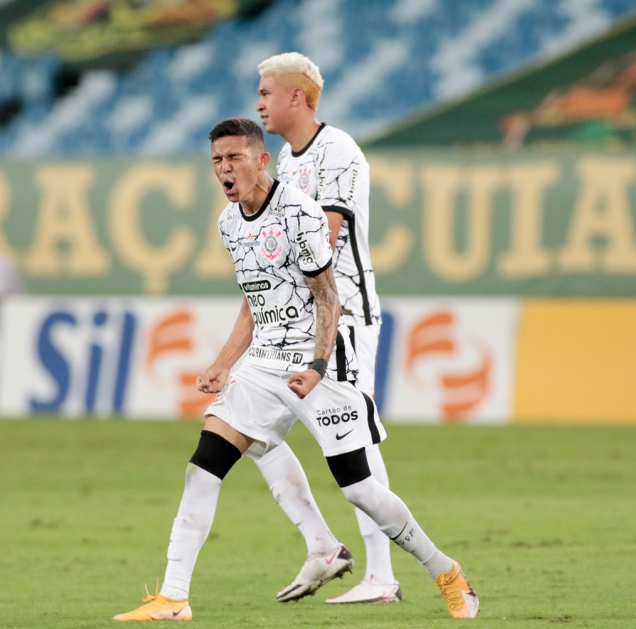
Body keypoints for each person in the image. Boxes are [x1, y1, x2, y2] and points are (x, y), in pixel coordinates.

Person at [114, 118, 478, 621]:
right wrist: (223, 363)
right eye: (217, 160)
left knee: (360, 489)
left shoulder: (299, 213)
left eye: (234, 157)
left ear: (262, 160)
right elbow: (255, 297)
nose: (224, 168)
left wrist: (317, 365)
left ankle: (446, 572)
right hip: (263, 363)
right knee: (204, 466)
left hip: (321, 360)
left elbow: (328, 296)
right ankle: (174, 597)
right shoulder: (228, 221)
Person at [253, 51, 398, 604]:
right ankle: (323, 545)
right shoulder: (286, 163)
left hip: (342, 315)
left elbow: (327, 237)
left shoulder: (336, 151)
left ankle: (380, 575)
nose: (259, 102)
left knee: (353, 439)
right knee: (248, 426)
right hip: (294, 319)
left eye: (267, 92)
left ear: (296, 96)